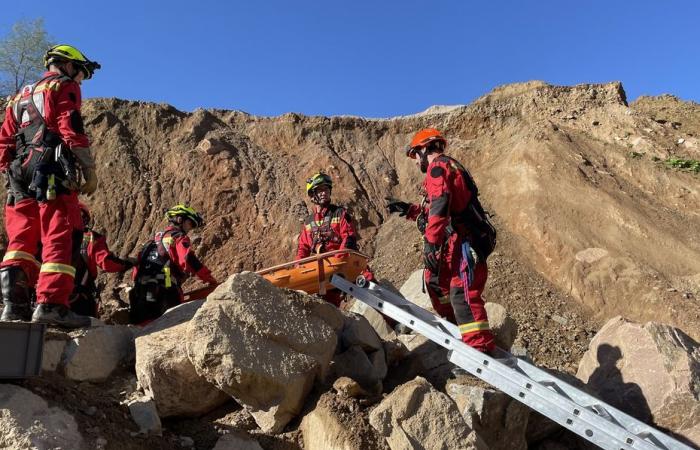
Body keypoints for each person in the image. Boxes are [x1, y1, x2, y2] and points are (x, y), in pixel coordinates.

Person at [0, 44, 101, 327]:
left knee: (20, 239)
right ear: (69, 65)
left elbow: (5, 140)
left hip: (19, 172)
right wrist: (87, 166)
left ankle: (14, 306)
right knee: (62, 232)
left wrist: (9, 174)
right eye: (81, 74)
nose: (80, 81)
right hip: (50, 167)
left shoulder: (18, 97)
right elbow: (70, 124)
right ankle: (51, 304)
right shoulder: (63, 86)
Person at [387, 128, 496, 353]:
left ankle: (480, 350)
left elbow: (440, 206)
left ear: (425, 148)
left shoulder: (437, 168)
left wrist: (431, 242)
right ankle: (459, 331)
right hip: (459, 241)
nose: (416, 162)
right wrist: (410, 210)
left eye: (416, 155)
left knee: (461, 292)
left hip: (466, 241)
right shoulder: (449, 166)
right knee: (436, 283)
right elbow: (439, 208)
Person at [129, 204, 217, 324]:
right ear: (180, 220)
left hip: (140, 295)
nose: (189, 229)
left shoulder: (150, 243)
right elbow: (188, 259)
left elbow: (136, 272)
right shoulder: (177, 237)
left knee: (145, 332)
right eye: (190, 224)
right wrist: (210, 279)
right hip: (164, 295)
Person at [296, 172, 374, 307]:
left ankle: (396, 323)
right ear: (312, 194)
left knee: (371, 286)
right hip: (325, 272)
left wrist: (338, 263)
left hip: (346, 263)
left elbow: (348, 238)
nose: (324, 193)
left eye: (326, 189)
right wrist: (299, 269)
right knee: (328, 307)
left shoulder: (340, 213)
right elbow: (303, 248)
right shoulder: (308, 223)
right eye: (320, 190)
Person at [70, 202, 136, 317]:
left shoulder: (52, 235)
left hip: (50, 294)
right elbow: (107, 263)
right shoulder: (91, 238)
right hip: (80, 294)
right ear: (85, 218)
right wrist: (127, 264)